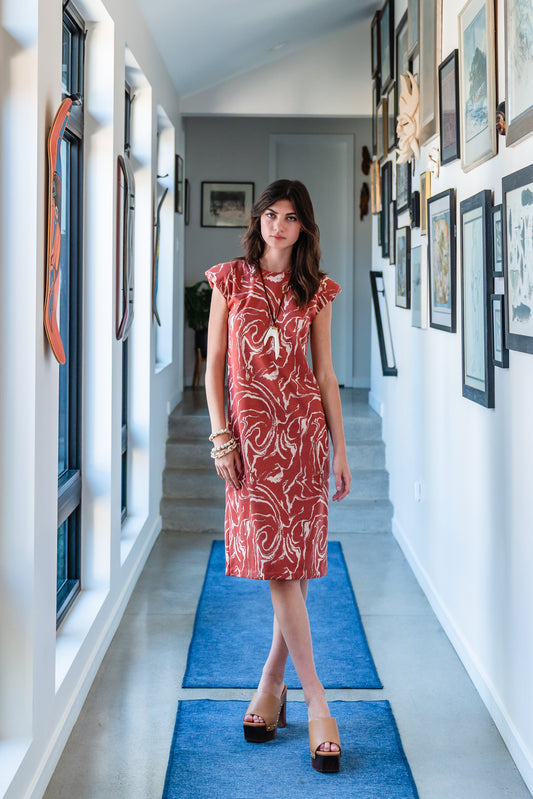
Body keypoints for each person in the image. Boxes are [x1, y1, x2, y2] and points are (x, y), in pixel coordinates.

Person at [204, 179, 351, 773]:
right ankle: (315, 699)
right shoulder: (228, 281)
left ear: (304, 227)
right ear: (259, 220)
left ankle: (275, 685)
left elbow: (326, 377)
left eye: (291, 217)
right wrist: (221, 436)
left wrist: (340, 449)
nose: (279, 225)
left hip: (302, 445)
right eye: (271, 214)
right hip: (250, 449)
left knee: (291, 567)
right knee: (277, 565)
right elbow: (213, 365)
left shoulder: (316, 291)